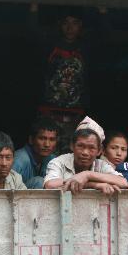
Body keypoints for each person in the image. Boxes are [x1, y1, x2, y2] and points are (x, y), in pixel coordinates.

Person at [37, 10, 90, 151]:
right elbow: (32, 31)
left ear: (81, 26)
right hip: (49, 111)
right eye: (66, 23)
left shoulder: (85, 48)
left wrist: (103, 11)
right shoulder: (50, 45)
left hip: (75, 112)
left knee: (72, 152)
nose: (70, 27)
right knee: (47, 150)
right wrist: (33, 7)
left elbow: (105, 36)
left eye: (75, 23)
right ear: (59, 25)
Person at [44, 128, 128, 195]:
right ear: (72, 146)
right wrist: (93, 185)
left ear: (99, 151)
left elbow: (123, 182)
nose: (85, 152)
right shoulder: (59, 162)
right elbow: (50, 185)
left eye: (91, 148)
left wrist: (87, 175)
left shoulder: (101, 165)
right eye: (80, 146)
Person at [12, 117, 59, 189]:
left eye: (52, 139)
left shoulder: (53, 160)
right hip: (18, 198)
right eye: (42, 138)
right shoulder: (19, 160)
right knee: (39, 182)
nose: (47, 144)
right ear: (31, 140)